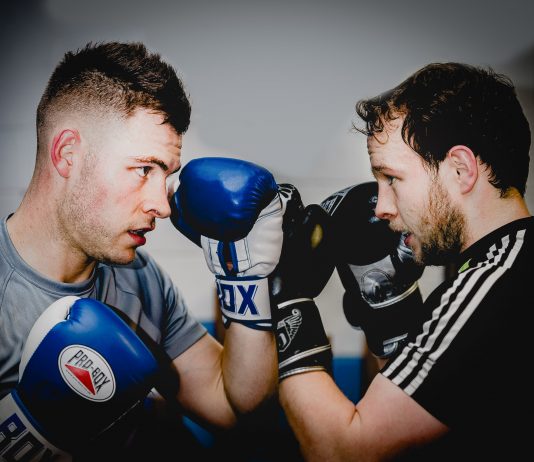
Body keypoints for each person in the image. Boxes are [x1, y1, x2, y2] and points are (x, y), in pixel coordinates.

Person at [0, 41, 280, 460]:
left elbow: (231, 407)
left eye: (165, 175)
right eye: (143, 169)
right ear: (68, 154)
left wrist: (244, 281)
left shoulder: (141, 279)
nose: (163, 206)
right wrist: (23, 436)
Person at [270, 62, 532, 461]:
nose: (382, 207)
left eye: (391, 178)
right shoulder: (505, 270)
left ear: (461, 170)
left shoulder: (496, 283)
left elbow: (343, 452)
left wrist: (289, 298)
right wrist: (388, 315)